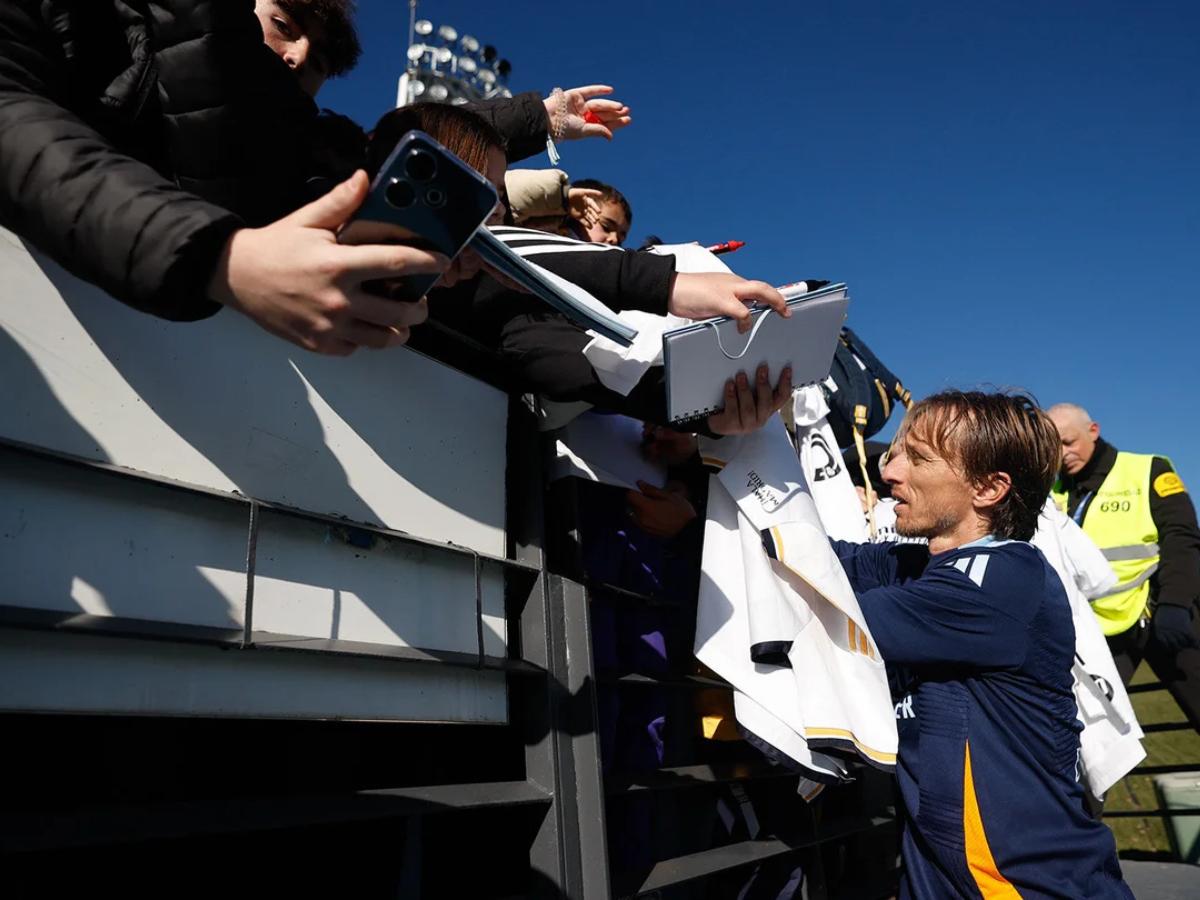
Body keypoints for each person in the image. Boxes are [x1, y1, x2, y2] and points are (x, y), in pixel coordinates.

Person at [831, 391, 1130, 898]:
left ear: (989, 488)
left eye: (918, 458)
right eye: (894, 454)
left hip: (1029, 886)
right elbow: (815, 558)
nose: (890, 472)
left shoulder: (1004, 577)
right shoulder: (918, 566)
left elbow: (829, 608)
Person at [366, 103, 795, 432]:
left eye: (497, 201)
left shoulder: (504, 311)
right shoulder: (317, 240)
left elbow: (589, 367)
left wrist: (707, 415)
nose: (491, 216)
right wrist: (672, 285)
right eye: (476, 193)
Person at [1047, 402, 1200, 728]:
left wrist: (1175, 603)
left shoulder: (1149, 470)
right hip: (1097, 629)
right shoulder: (1051, 493)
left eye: (1068, 442)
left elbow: (1182, 538)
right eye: (1053, 446)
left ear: (1094, 431)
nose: (1061, 454)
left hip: (1159, 613)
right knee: (1087, 732)